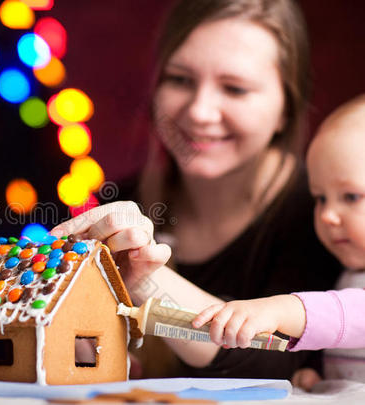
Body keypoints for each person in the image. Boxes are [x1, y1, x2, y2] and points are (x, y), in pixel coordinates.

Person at [51, 0, 342, 384]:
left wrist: (143, 276)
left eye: (235, 89)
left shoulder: (324, 215)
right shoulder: (120, 204)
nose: (200, 111)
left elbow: (279, 365)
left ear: (287, 108)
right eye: (180, 80)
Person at [193, 95, 365, 385]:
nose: (327, 215)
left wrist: (279, 310)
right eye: (320, 198)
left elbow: (348, 314)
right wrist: (318, 373)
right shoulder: (347, 274)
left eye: (351, 196)